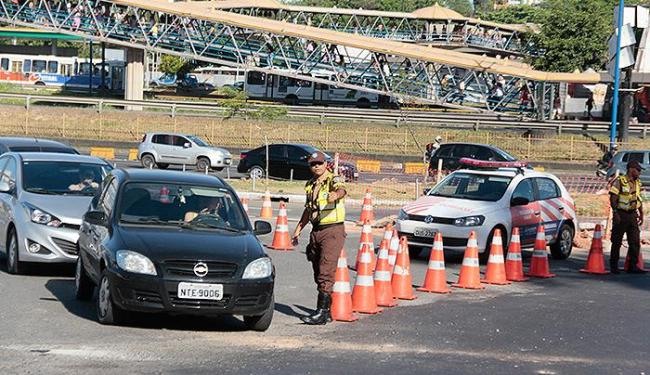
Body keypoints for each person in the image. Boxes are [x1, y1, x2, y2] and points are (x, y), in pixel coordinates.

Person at [291, 151, 347, 325]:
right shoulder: (310, 184)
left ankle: (321, 313)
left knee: (325, 271)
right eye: (313, 164)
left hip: (332, 230)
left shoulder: (332, 179)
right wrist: (299, 228)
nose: (316, 167)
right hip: (316, 230)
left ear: (326, 165)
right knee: (317, 270)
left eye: (319, 163)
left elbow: (342, 189)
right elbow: (309, 209)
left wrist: (335, 195)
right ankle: (327, 310)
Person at [609, 160, 647, 274]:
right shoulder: (620, 181)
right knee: (617, 241)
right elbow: (613, 198)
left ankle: (633, 266)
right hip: (621, 214)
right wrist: (615, 213)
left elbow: (638, 199)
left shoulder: (637, 183)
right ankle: (614, 266)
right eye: (638, 170)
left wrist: (641, 214)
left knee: (635, 241)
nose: (639, 173)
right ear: (631, 169)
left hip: (632, 215)